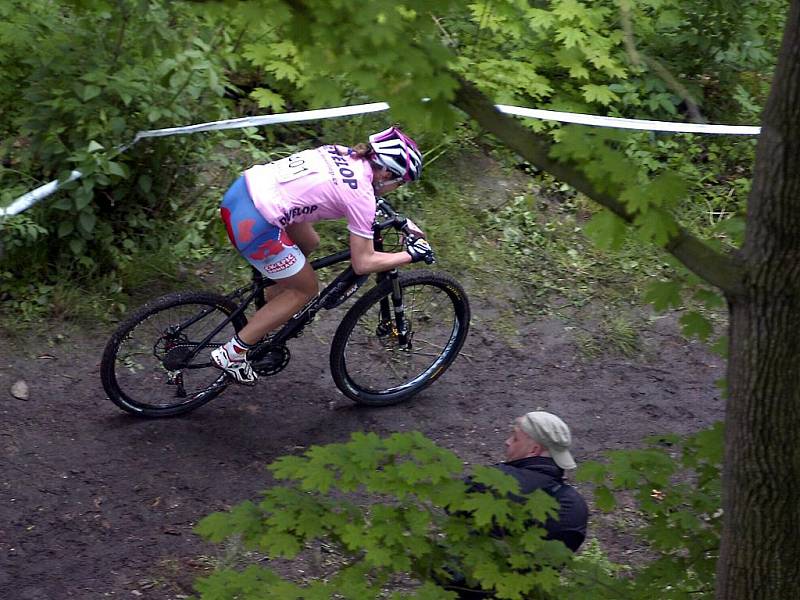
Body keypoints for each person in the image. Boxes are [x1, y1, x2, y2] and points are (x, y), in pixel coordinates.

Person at [210, 126, 434, 384]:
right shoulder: (360, 195)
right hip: (255, 222)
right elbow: (362, 263)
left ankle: (269, 305)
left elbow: (359, 192)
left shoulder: (344, 153)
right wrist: (410, 254)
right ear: (385, 172)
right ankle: (234, 353)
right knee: (305, 290)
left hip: (243, 191)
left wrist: (402, 221)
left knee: (308, 242)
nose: (396, 187)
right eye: (400, 181)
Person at [441, 411, 589, 599]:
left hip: (469, 586)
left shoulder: (495, 481)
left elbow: (450, 503)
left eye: (515, 437)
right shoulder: (576, 506)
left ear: (534, 450)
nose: (508, 442)